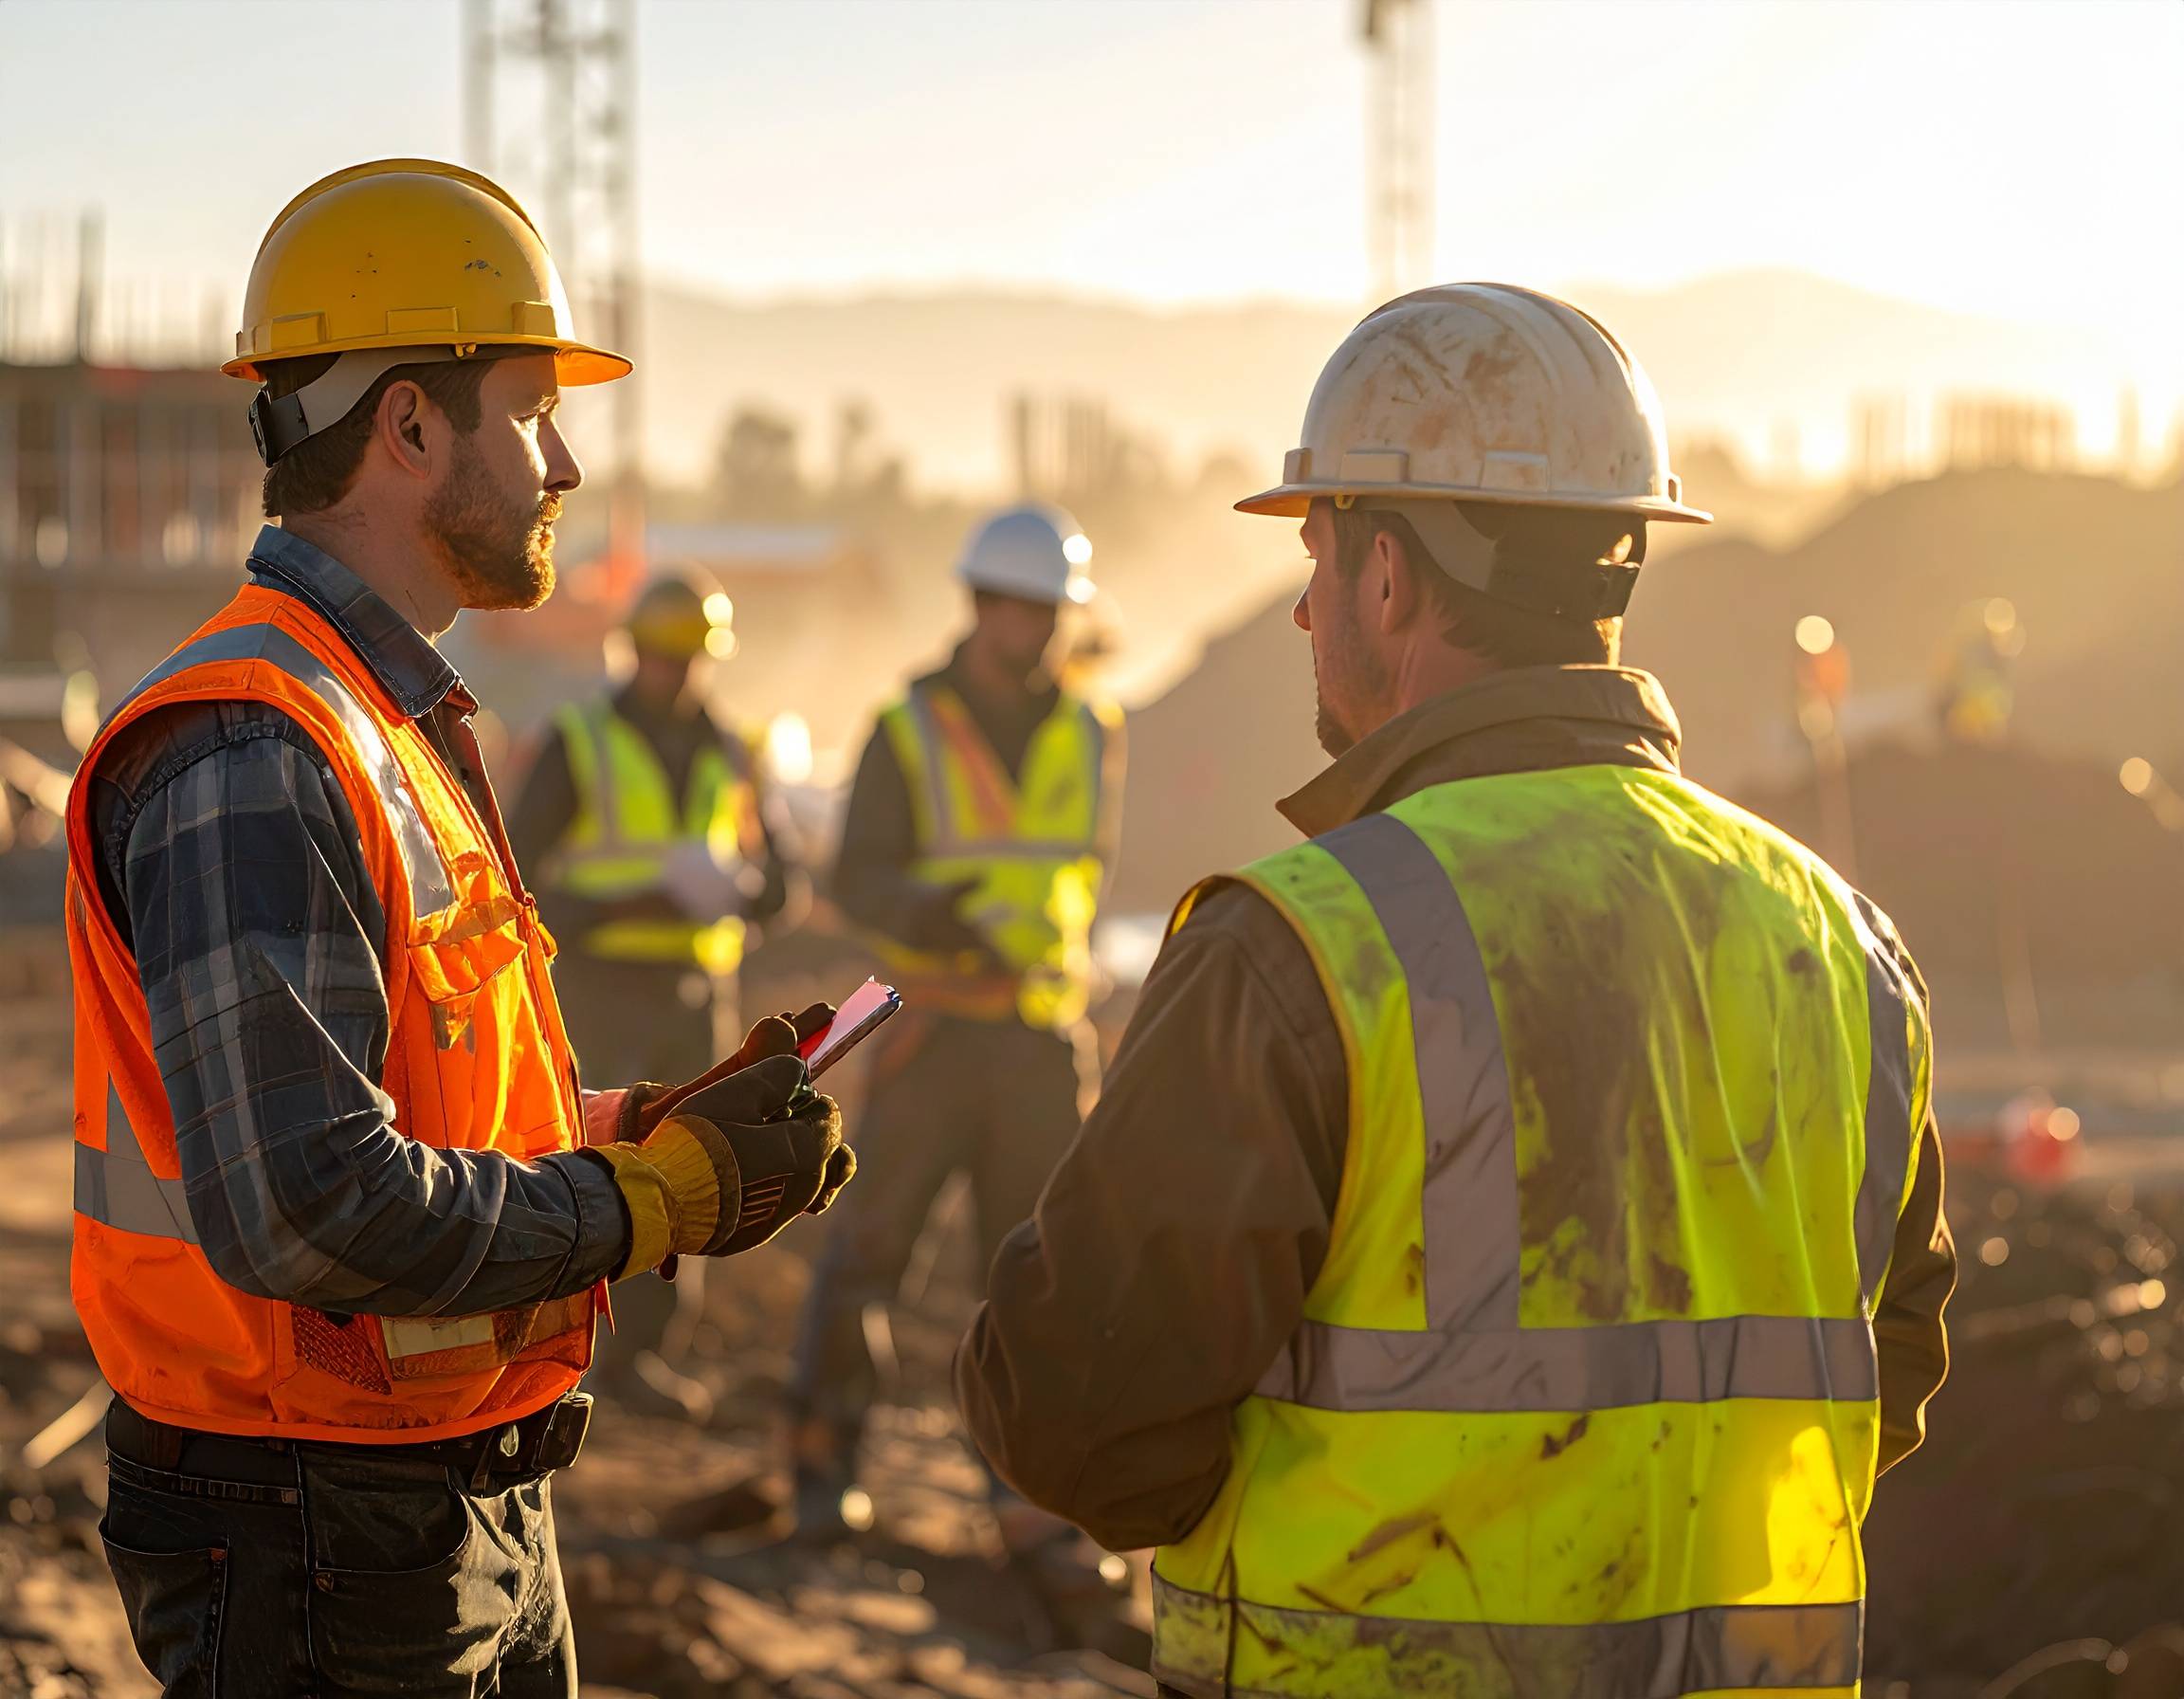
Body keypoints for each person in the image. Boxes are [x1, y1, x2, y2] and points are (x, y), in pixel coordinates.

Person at [956, 284, 1956, 1698]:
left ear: (1391, 578)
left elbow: (1079, 1421)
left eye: (1318, 551)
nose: (1303, 604)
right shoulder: (1844, 946)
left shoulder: (1302, 947)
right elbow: (1882, 1374)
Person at [66, 158, 852, 1699]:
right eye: (529, 411)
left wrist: (639, 1130)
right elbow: (307, 1207)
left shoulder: (385, 719)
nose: (560, 464)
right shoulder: (258, 744)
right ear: (410, 427)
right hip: (312, 1527)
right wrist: (642, 1202)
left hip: (431, 1488)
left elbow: (419, 1108)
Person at [787, 503, 1123, 1533]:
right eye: (1010, 606)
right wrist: (937, 917)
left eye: (1043, 610)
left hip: (1034, 1035)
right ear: (978, 604)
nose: (1026, 627)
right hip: (929, 1029)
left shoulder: (1090, 728)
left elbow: (1091, 869)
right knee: (870, 1253)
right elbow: (854, 880)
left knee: (1037, 1276)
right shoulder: (907, 726)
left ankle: (1027, 1496)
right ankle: (820, 1469)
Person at [507, 571, 799, 1420]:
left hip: (694, 989)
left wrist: (741, 890)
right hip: (602, 985)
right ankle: (566, 1347)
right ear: (633, 651)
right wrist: (627, 903)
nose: (679, 674)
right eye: (665, 657)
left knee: (694, 1168)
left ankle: (645, 1353)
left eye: (690, 659)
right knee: (593, 1160)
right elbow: (517, 876)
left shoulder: (734, 749)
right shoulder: (579, 739)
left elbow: (785, 886)